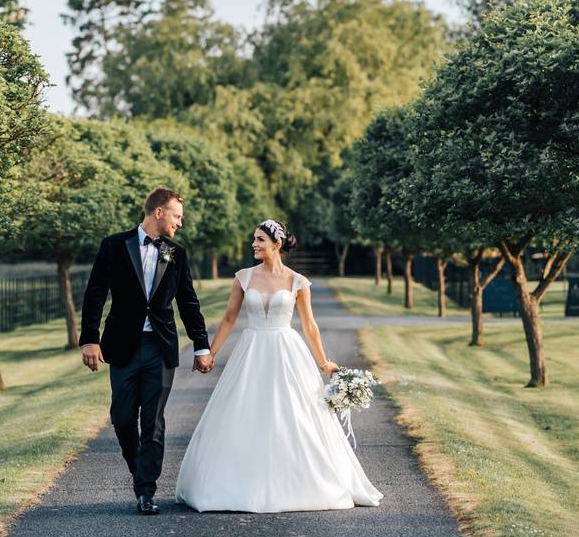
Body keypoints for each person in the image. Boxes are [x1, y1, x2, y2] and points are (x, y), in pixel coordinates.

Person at [175, 219, 383, 512]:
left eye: (260, 239)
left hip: (287, 351)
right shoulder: (244, 277)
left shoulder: (298, 281)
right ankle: (232, 483)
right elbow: (229, 320)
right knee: (244, 411)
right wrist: (209, 353)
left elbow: (310, 325)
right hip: (252, 350)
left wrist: (324, 362)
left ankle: (300, 481)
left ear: (277, 244)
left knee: (295, 413)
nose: (254, 244)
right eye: (254, 239)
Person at [79, 188, 213, 516]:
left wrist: (201, 345)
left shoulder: (176, 253)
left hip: (160, 347)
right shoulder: (114, 245)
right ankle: (139, 471)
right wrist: (89, 339)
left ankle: (146, 490)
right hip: (123, 346)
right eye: (176, 215)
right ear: (158, 212)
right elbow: (95, 292)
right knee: (123, 419)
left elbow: (188, 301)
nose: (179, 223)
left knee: (152, 420)